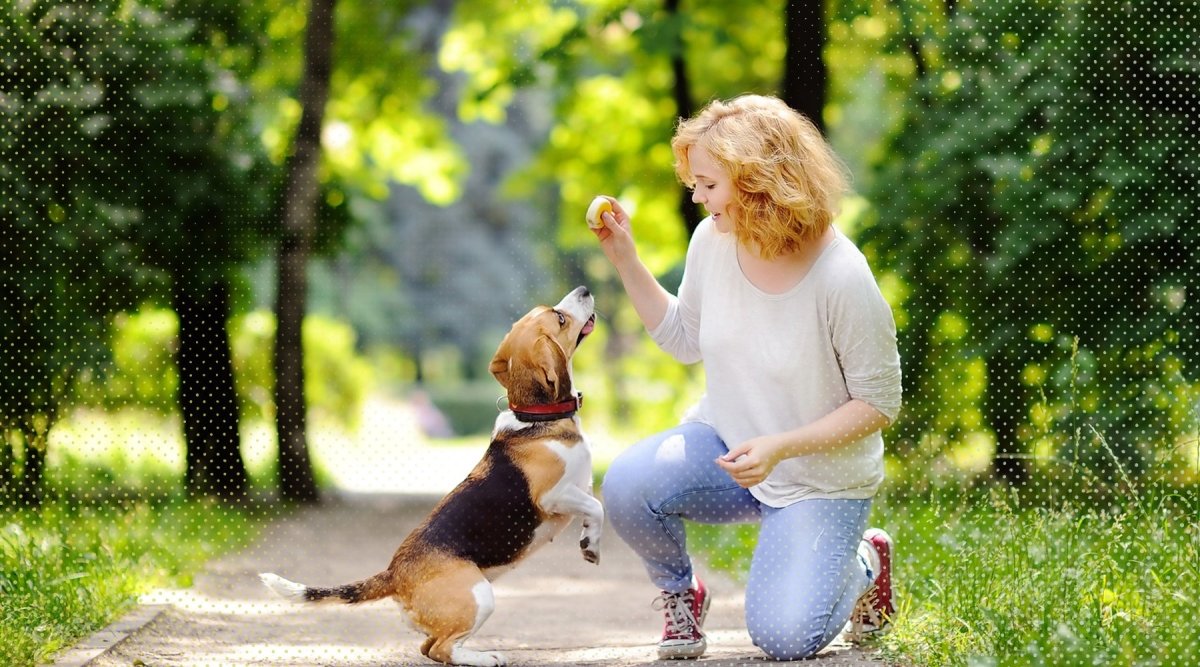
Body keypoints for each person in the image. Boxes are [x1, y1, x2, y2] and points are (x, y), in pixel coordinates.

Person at [590, 94, 902, 661]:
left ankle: (864, 562)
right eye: (694, 182)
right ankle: (681, 596)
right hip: (729, 449)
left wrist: (782, 447)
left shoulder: (842, 276)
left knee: (784, 639)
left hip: (818, 478)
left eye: (708, 184)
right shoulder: (713, 240)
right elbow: (684, 338)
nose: (696, 196)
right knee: (628, 486)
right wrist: (626, 260)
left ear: (758, 180)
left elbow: (879, 404)